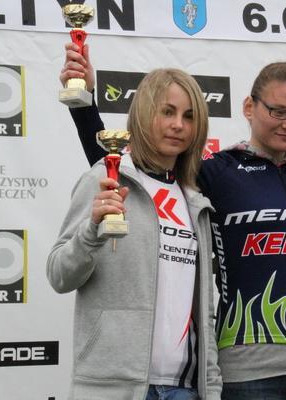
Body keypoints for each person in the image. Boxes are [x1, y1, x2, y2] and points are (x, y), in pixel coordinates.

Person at [59, 42, 286, 399]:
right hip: (250, 365)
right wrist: (84, 104)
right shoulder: (217, 171)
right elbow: (125, 172)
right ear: (249, 107)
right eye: (278, 111)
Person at [47, 67, 222, 400]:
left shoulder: (195, 201)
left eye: (189, 116)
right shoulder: (105, 178)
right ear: (143, 113)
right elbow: (59, 275)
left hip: (184, 389)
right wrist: (91, 232)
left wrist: (210, 386)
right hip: (114, 386)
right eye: (167, 112)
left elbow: (204, 309)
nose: (178, 125)